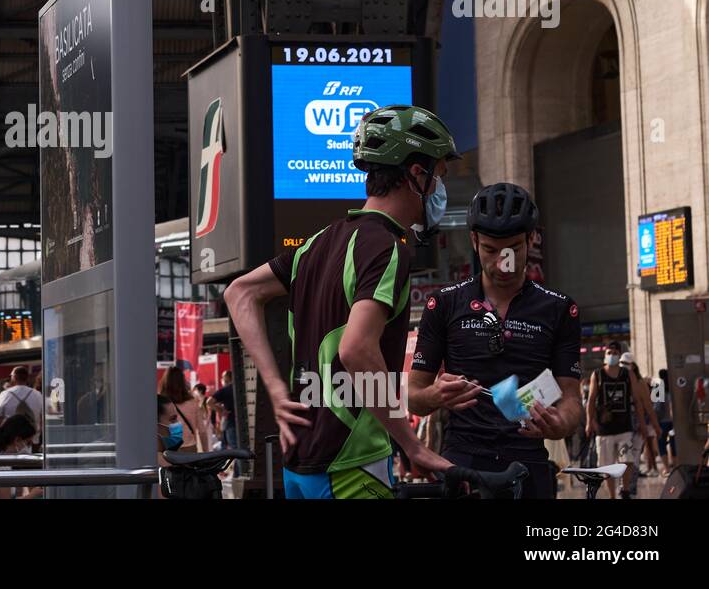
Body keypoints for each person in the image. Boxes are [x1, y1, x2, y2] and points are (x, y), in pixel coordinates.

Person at [225, 105, 460, 499]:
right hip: (351, 464)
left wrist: (277, 392)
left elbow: (240, 293)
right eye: (440, 175)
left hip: (299, 464)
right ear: (417, 175)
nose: (440, 187)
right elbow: (356, 350)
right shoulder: (387, 248)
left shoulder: (316, 244)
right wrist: (412, 443)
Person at [409, 182, 583, 499]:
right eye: (491, 250)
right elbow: (413, 395)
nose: (503, 262)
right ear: (474, 241)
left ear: (532, 239)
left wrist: (561, 423)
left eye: (513, 249)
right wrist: (436, 395)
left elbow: (572, 399)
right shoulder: (444, 304)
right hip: (463, 463)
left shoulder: (560, 309)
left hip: (527, 461)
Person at [586, 342, 656, 498]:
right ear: (605, 355)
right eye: (609, 352)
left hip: (624, 427)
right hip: (604, 429)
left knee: (628, 460)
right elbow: (591, 400)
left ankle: (624, 489)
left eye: (615, 352)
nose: (612, 355)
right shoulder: (597, 375)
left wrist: (643, 424)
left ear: (619, 355)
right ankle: (611, 495)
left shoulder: (627, 374)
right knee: (606, 465)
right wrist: (589, 422)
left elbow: (637, 401)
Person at [619, 354, 662, 476]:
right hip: (621, 424)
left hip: (637, 423)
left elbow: (648, 407)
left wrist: (655, 425)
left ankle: (629, 488)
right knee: (623, 456)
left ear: (633, 366)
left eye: (626, 363)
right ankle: (625, 487)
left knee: (634, 456)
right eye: (621, 363)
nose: (623, 366)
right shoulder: (615, 380)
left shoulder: (640, 383)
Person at [158, 366, 210, 453]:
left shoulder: (161, 403)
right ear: (182, 382)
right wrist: (206, 453)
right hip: (190, 449)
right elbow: (202, 431)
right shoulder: (193, 403)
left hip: (168, 451)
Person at [0, 414, 41, 499]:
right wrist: (32, 495)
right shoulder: (1, 467)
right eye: (28, 443)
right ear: (17, 440)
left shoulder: (0, 459)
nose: (28, 448)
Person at [0, 366, 43, 431]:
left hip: (10, 438)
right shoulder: (37, 394)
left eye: (11, 376)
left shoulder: (5, 394)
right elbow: (42, 419)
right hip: (33, 438)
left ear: (14, 377)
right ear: (27, 378)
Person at [211, 371, 236, 449]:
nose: (221, 380)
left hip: (230, 423)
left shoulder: (225, 390)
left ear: (227, 378)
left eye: (223, 377)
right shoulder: (240, 388)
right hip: (240, 423)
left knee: (231, 446)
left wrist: (220, 410)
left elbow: (209, 402)